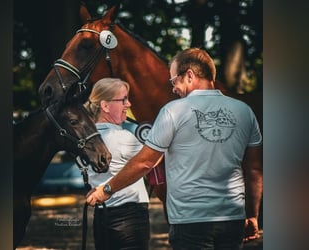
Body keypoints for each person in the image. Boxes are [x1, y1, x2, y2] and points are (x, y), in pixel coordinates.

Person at [86, 48, 263, 250]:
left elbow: (145, 161)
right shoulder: (244, 111)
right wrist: (252, 214)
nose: (173, 89)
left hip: (190, 221)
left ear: (189, 75)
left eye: (173, 81)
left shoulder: (173, 111)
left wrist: (107, 189)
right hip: (232, 218)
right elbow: (255, 169)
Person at [83, 78, 150, 250]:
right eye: (123, 100)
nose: (129, 104)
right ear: (105, 106)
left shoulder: (85, 140)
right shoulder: (122, 138)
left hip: (101, 217)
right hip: (129, 219)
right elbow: (153, 159)